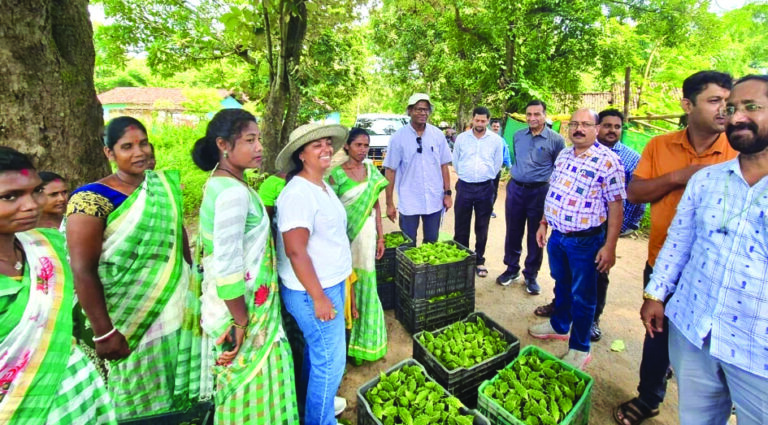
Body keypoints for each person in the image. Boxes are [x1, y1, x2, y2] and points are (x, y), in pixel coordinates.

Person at [641, 74, 768, 425]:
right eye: (731, 108)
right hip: (693, 325)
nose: (736, 116)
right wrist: (655, 293)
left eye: (752, 107)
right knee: (696, 417)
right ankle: (649, 396)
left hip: (757, 348)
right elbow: (679, 242)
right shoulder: (707, 180)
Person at [614, 70, 737, 425]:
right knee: (657, 333)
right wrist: (677, 177)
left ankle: (725, 401)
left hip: (716, 271)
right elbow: (635, 193)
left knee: (714, 342)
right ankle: (650, 396)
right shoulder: (660, 146)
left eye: (728, 103)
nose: (724, 110)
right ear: (687, 104)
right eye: (715, 100)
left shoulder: (738, 148)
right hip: (663, 263)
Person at [66, 116, 201, 420]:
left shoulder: (162, 188)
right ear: (109, 153)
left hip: (177, 309)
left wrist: (195, 291)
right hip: (126, 319)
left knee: (178, 390)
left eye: (143, 143)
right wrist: (104, 332)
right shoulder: (91, 199)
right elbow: (82, 270)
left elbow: (180, 244)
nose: (139, 152)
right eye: (127, 146)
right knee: (135, 394)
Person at [193, 109, 299, 424]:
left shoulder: (223, 183)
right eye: (250, 140)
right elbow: (226, 264)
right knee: (252, 388)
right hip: (242, 312)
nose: (259, 148)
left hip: (242, 305)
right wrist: (241, 323)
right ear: (223, 144)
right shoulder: (233, 195)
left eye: (258, 139)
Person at [0, 147, 116, 424]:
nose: (31, 205)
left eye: (35, 191)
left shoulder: (46, 246)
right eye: (10, 197)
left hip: (75, 394)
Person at [534, 109, 645, 342]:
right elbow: (554, 191)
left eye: (585, 124)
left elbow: (616, 206)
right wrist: (544, 222)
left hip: (585, 241)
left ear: (596, 129)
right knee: (561, 284)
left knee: (583, 296)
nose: (579, 129)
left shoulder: (609, 161)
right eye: (574, 123)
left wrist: (610, 246)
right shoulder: (564, 154)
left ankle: (580, 346)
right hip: (557, 237)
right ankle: (559, 325)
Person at [275, 123, 351, 425]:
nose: (326, 149)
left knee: (317, 355)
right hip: (313, 292)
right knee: (331, 362)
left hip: (327, 285)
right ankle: (320, 420)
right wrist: (318, 297)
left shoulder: (320, 184)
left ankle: (311, 409)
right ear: (301, 154)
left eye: (327, 143)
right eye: (316, 145)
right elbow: (295, 250)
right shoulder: (298, 193)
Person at [328, 127, 388, 364]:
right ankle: (347, 344)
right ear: (347, 146)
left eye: (366, 146)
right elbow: (331, 212)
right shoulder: (336, 175)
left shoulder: (372, 171)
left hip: (367, 239)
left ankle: (364, 345)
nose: (363, 150)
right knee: (346, 288)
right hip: (345, 240)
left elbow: (375, 205)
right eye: (358, 145)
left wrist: (381, 237)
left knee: (366, 286)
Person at [498, 100, 566, 294]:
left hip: (540, 192)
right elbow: (517, 160)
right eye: (529, 114)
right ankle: (511, 269)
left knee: (536, 235)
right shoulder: (518, 136)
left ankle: (531, 275)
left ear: (544, 115)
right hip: (516, 190)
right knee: (513, 230)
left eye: (537, 114)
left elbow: (559, 169)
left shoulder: (556, 140)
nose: (532, 118)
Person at [383, 93, 453, 244]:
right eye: (418, 109)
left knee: (431, 242)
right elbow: (390, 171)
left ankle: (427, 269)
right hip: (409, 201)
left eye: (426, 110)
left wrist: (448, 193)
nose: (423, 113)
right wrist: (389, 203)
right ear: (409, 111)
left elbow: (444, 166)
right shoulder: (398, 138)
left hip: (434, 199)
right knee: (408, 244)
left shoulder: (437, 135)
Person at [451, 107, 504, 277]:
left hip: (485, 188)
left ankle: (479, 260)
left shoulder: (496, 140)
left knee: (482, 226)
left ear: (488, 121)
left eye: (483, 121)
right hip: (465, 186)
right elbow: (456, 161)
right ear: (472, 119)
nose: (480, 123)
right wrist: (466, 175)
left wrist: (485, 176)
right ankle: (462, 259)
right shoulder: (461, 138)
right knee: (461, 225)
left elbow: (497, 164)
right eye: (477, 120)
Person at [489, 119, 512, 219]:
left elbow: (505, 155)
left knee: (493, 191)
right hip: (484, 171)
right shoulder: (485, 140)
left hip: (496, 171)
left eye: (497, 127)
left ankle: (489, 210)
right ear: (490, 126)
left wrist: (510, 167)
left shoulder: (502, 141)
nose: (496, 128)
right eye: (494, 126)